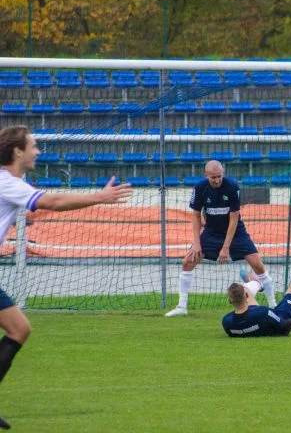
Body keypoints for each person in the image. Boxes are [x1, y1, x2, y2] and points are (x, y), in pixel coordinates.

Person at [0, 125, 133, 430]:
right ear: (17, 151)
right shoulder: (7, 182)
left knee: (19, 328)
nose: (37, 151)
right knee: (19, 328)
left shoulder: (10, 183)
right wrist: (100, 197)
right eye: (33, 145)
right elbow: (54, 202)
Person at [165, 160, 276, 317]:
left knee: (257, 264)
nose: (217, 180)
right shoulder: (199, 188)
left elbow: (234, 217)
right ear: (206, 175)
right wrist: (196, 243)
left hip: (236, 232)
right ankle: (182, 306)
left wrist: (225, 247)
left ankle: (273, 305)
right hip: (211, 232)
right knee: (187, 262)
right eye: (213, 177)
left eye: (219, 176)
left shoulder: (232, 187)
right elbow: (196, 216)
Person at [222, 278, 291, 338]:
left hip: (254, 318)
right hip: (281, 315)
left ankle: (258, 283)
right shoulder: (262, 312)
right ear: (247, 296)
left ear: (230, 301)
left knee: (244, 288)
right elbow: (284, 328)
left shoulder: (226, 321)